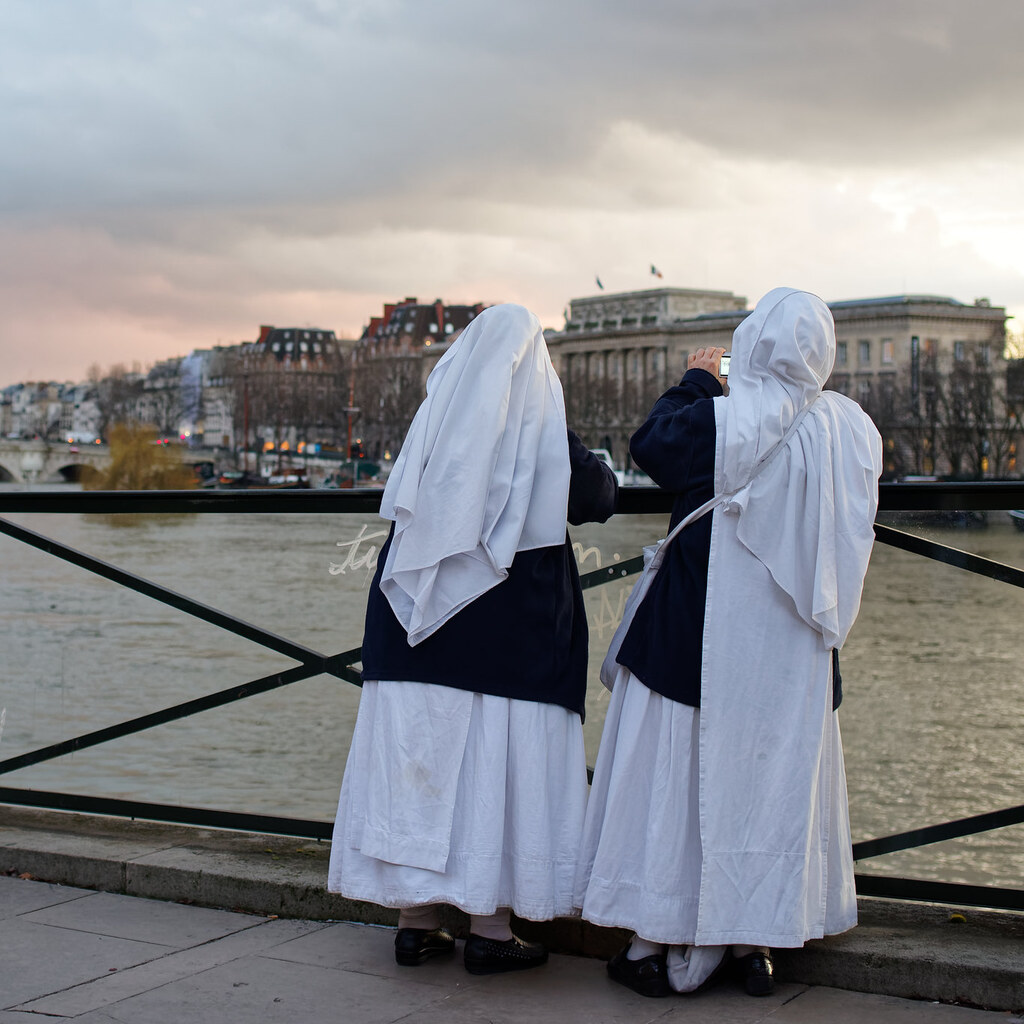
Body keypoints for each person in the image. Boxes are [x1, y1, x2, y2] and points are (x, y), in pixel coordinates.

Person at [575, 288, 882, 998]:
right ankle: (756, 944)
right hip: (795, 656)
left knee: (679, 786)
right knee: (770, 790)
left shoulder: (722, 416)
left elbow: (650, 444)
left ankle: (653, 938)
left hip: (697, 640)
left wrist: (700, 378)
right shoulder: (851, 430)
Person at [329, 302, 617, 975]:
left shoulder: (433, 428)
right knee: (498, 768)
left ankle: (415, 921)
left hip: (413, 636)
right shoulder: (544, 437)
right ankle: (490, 928)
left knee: (422, 766)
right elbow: (599, 496)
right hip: (513, 640)